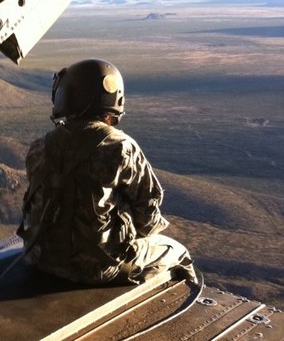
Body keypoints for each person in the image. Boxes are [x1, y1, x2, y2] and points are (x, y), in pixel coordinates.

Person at [17, 59, 197, 285]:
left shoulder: (39, 146)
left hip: (38, 258)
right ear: (113, 99)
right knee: (177, 251)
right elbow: (148, 216)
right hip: (96, 269)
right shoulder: (120, 147)